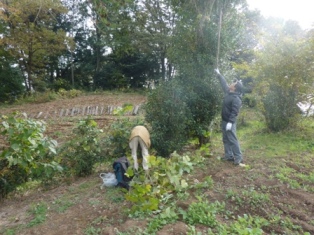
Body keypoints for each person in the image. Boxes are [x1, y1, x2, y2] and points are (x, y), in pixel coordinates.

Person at [214, 68, 246, 167]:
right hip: (224, 121)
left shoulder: (236, 99)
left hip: (229, 122)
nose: (231, 83)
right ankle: (229, 156)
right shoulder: (229, 92)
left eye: (233, 83)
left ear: (235, 88)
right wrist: (219, 75)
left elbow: (235, 112)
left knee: (232, 139)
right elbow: (224, 84)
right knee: (226, 139)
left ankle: (238, 157)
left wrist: (230, 122)